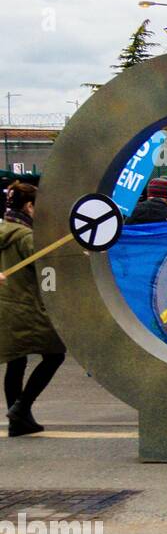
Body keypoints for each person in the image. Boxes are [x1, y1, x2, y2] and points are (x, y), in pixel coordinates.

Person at [0, 183, 66, 437]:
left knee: (16, 362)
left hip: (5, 307)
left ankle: (19, 419)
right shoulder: (27, 237)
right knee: (55, 354)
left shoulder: (4, 230)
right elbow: (47, 267)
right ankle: (21, 408)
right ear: (29, 206)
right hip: (26, 308)